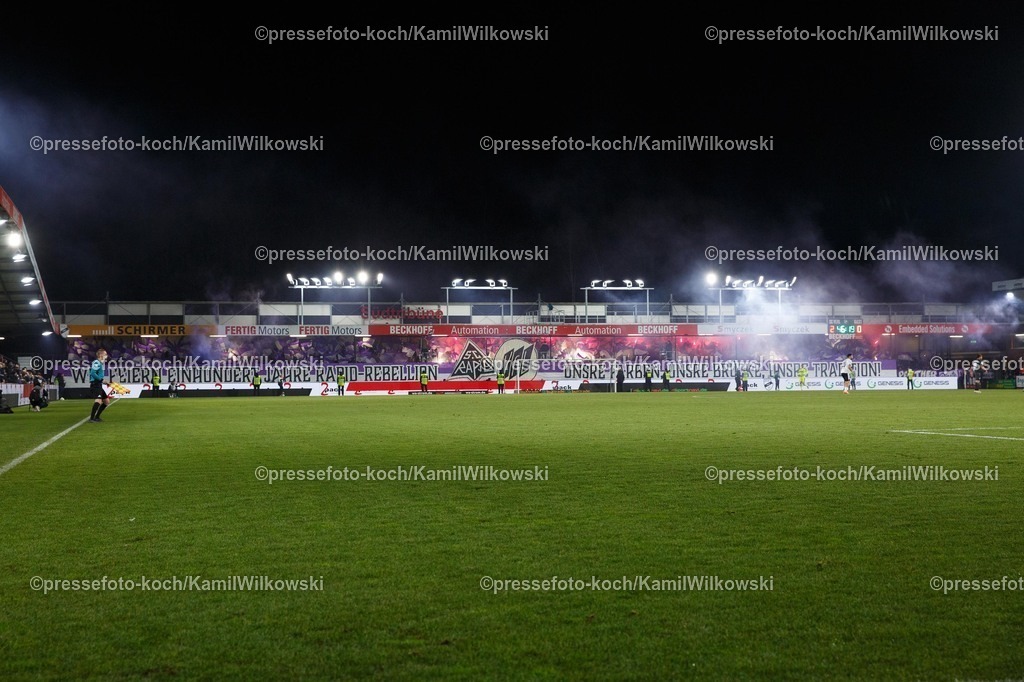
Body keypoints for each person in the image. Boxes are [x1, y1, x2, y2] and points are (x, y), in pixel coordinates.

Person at [89, 349, 113, 422]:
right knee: (98, 401)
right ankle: (92, 418)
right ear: (100, 355)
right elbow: (92, 373)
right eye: (105, 354)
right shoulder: (96, 362)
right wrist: (101, 380)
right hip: (95, 384)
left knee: (106, 401)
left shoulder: (100, 363)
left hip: (99, 384)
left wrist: (104, 381)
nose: (106, 356)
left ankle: (96, 417)